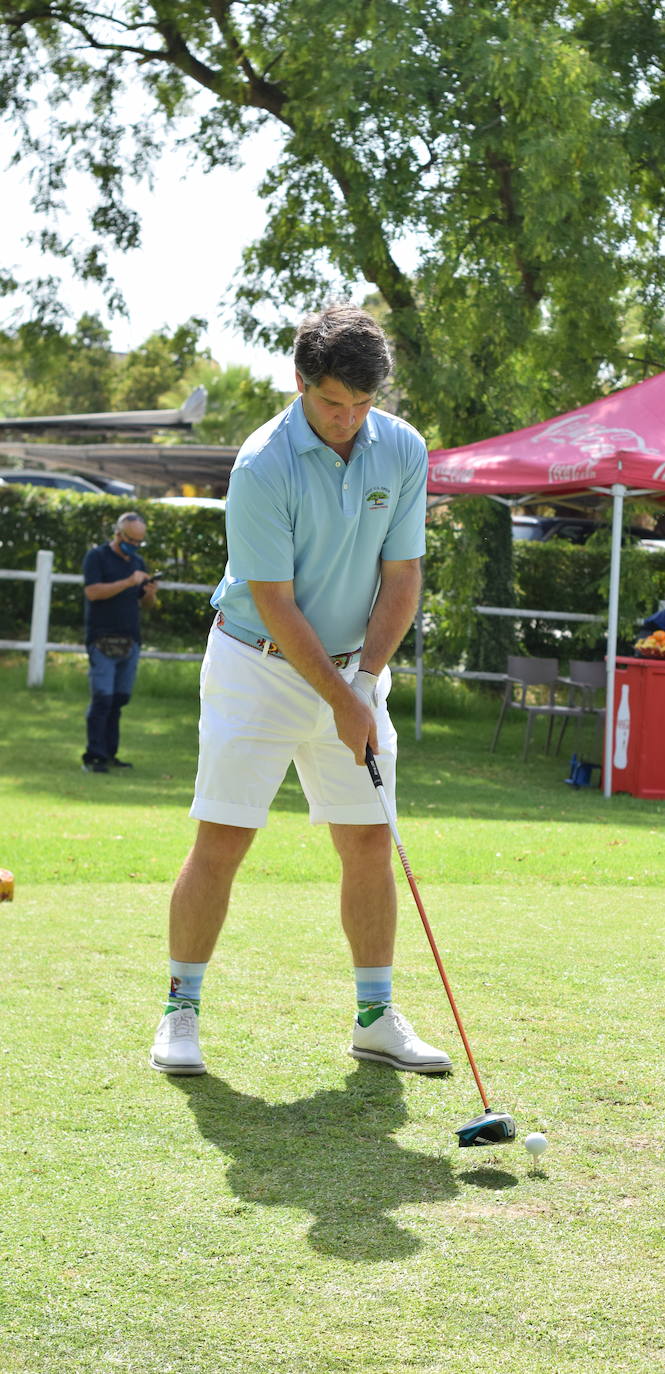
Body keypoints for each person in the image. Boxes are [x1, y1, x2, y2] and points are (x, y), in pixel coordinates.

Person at [149, 303, 451, 1080]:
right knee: (224, 836)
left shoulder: (404, 450)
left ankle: (375, 1017)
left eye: (360, 405)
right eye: (330, 403)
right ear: (299, 383)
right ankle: (180, 1011)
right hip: (256, 663)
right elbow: (276, 604)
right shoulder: (262, 464)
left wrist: (363, 683)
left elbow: (403, 576)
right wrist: (346, 698)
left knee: (367, 839)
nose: (346, 420)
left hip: (355, 667)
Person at [82, 512, 158, 773]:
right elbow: (92, 592)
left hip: (130, 640)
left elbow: (146, 604)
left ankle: (110, 754)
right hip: (101, 639)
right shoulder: (97, 557)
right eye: (131, 540)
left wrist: (150, 593)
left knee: (118, 699)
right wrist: (128, 581)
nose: (135, 546)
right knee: (102, 699)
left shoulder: (137, 562)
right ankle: (94, 757)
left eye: (139, 542)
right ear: (118, 534)